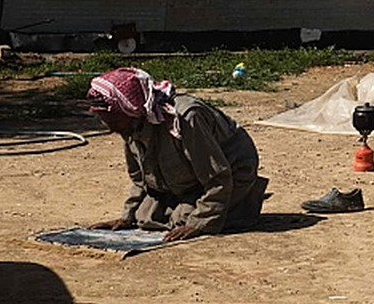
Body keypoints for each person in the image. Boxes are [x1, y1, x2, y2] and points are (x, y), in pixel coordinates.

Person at [86, 67, 267, 240]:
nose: (110, 127)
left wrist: (199, 224)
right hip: (183, 182)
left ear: (131, 110)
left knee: (185, 219)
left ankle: (243, 202)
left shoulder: (186, 118)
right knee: (145, 217)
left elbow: (217, 176)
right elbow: (140, 178)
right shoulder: (130, 124)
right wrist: (128, 217)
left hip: (230, 175)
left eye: (113, 120)